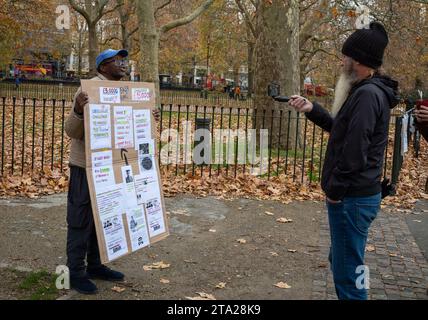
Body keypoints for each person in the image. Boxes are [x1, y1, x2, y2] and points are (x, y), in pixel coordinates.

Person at [289, 22, 399, 300]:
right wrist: (313, 109)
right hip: (357, 196)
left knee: (348, 271)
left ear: (358, 60)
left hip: (352, 198)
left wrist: (335, 190)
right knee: (347, 260)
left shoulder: (367, 95)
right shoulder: (366, 91)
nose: (342, 60)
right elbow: (344, 130)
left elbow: (354, 151)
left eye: (345, 56)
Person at [65, 48, 160, 295]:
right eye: (115, 60)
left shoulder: (125, 92)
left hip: (112, 168)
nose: (122, 63)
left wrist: (147, 117)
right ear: (102, 66)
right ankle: (75, 273)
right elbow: (71, 131)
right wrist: (77, 110)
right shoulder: (89, 89)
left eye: (123, 60)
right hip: (86, 167)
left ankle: (96, 265)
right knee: (80, 221)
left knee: (103, 218)